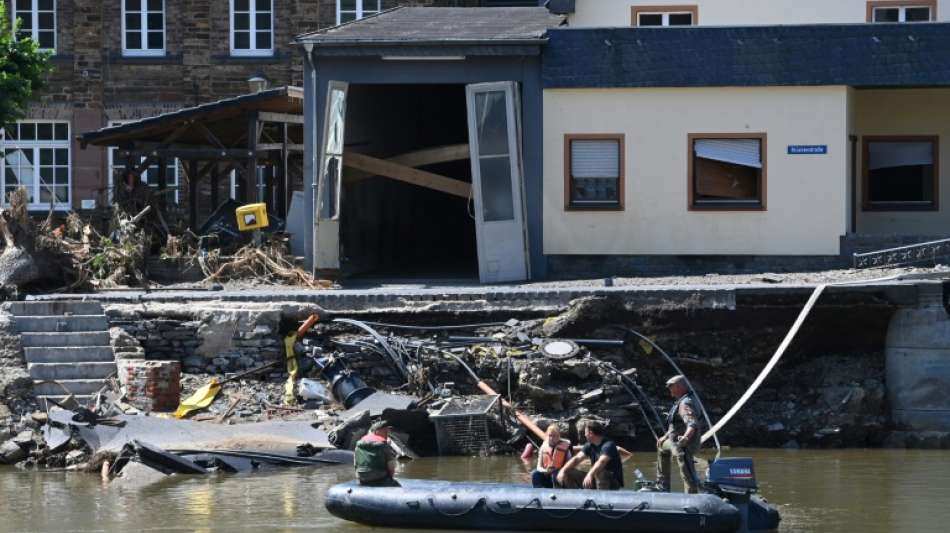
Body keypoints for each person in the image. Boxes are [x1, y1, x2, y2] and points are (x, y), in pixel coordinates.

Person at [656, 375, 703, 494]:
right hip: (673, 441)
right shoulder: (684, 400)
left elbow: (692, 423)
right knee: (661, 446)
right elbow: (676, 425)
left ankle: (691, 495)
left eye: (671, 387)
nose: (670, 390)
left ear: (679, 387)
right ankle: (663, 485)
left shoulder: (685, 403)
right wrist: (665, 436)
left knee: (686, 472)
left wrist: (686, 437)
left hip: (683, 444)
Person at [556, 421, 623, 490]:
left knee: (600, 472)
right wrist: (563, 470)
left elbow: (601, 462)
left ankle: (601, 498)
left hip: (612, 482)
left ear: (590, 433)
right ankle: (575, 496)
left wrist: (590, 474)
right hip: (595, 478)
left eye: (585, 432)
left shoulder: (609, 445)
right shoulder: (589, 445)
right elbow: (576, 459)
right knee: (568, 471)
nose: (585, 435)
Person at [354, 420, 400, 487]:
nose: (387, 433)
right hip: (379, 477)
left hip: (361, 477)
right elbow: (391, 467)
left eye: (388, 431)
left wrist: (359, 477)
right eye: (385, 431)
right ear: (376, 431)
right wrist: (390, 480)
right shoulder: (383, 444)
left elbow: (355, 464)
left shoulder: (359, 444)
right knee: (397, 486)